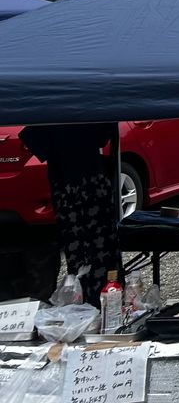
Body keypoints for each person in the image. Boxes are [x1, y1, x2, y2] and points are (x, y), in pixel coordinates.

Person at [18, 122, 120, 306]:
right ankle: (95, 299)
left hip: (76, 183)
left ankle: (98, 299)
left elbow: (33, 141)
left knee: (92, 248)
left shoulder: (51, 109)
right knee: (89, 249)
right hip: (81, 182)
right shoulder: (78, 107)